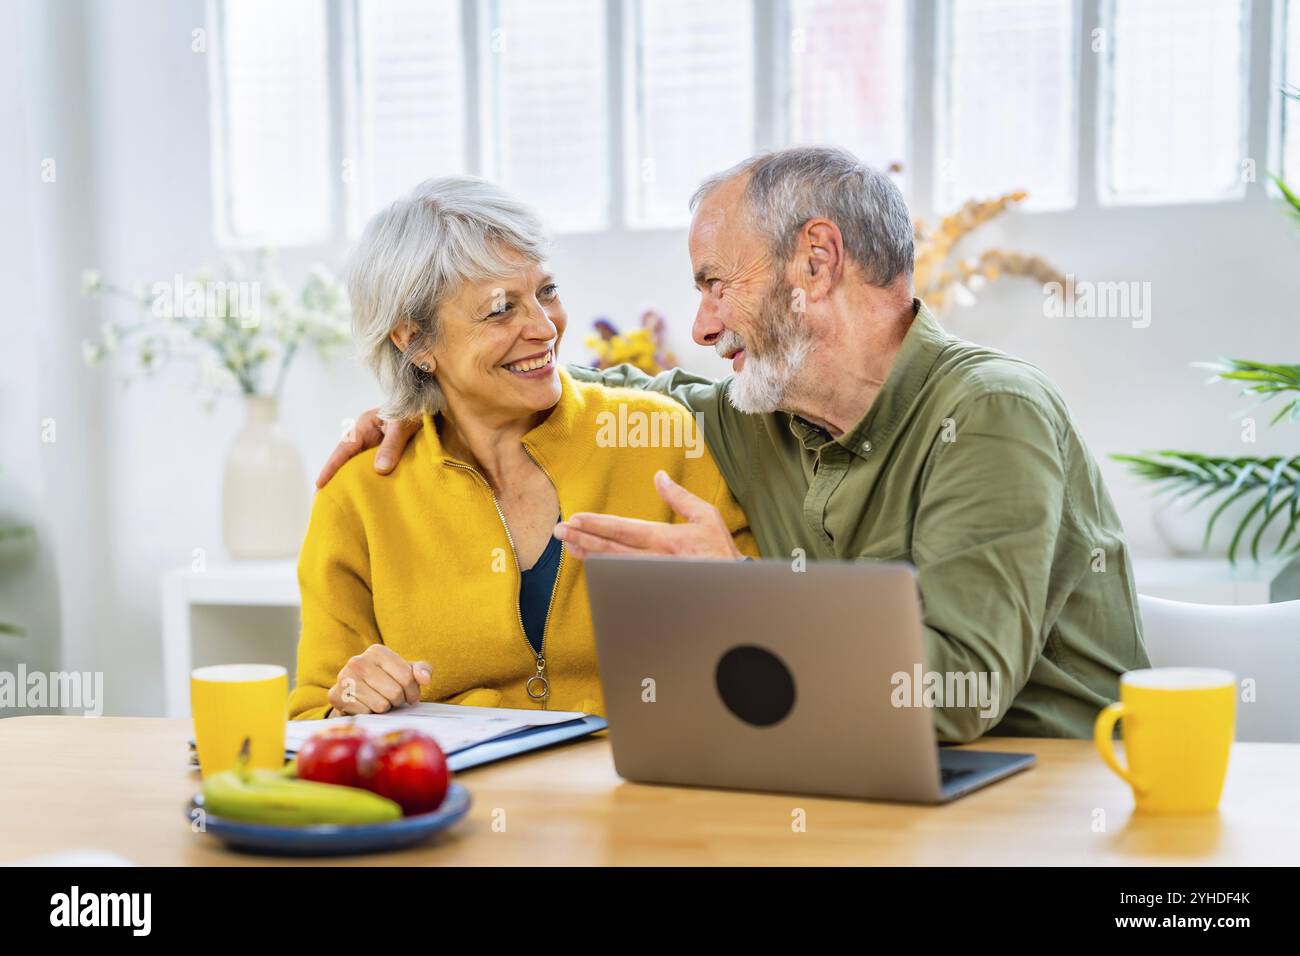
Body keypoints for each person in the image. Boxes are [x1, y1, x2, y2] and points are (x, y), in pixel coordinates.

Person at [318, 147, 1148, 742]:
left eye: (717, 284)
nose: (703, 325)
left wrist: (738, 596)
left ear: (816, 262)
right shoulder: (753, 410)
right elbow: (556, 397)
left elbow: (949, 697)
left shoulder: (992, 414)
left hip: (1045, 791)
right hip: (866, 785)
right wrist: (415, 412)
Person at [289, 176, 752, 721]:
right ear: (413, 340)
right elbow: (312, 715)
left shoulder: (661, 438)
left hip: (640, 787)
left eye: (547, 291)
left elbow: (768, 661)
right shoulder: (361, 493)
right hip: (466, 801)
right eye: (500, 309)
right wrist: (351, 699)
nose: (543, 326)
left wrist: (735, 588)